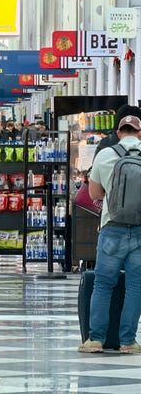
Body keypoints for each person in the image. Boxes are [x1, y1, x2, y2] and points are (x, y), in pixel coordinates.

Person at [79, 115, 141, 354]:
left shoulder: (105, 155)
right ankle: (128, 341)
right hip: (139, 228)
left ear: (118, 132)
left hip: (111, 227)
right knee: (135, 286)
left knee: (104, 284)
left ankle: (95, 340)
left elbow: (93, 194)